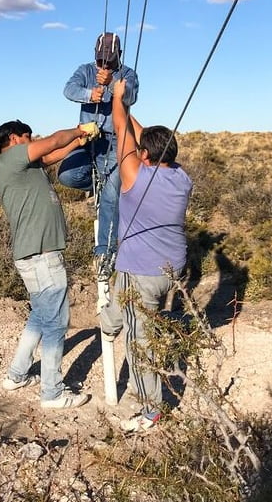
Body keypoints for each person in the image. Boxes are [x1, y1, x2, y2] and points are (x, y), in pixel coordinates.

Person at [100, 79, 192, 432]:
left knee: (139, 343)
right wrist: (127, 107)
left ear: (144, 156)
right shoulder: (182, 178)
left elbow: (122, 130)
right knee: (126, 314)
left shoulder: (134, 177)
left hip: (140, 272)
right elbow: (135, 135)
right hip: (171, 270)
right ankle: (110, 320)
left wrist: (117, 101)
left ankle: (151, 411)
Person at [0, 119, 92, 410]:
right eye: (28, 136)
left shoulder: (25, 167)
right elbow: (51, 143)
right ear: (14, 138)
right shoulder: (11, 156)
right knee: (55, 324)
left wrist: (77, 143)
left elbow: (50, 156)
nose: (32, 139)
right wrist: (79, 131)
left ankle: (16, 375)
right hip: (42, 255)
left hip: (34, 254)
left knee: (40, 316)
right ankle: (52, 392)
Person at [58, 32, 139, 271]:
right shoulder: (84, 70)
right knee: (67, 175)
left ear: (119, 56)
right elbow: (68, 90)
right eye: (100, 58)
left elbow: (131, 96)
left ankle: (104, 254)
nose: (104, 63)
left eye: (109, 59)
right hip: (88, 138)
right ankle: (101, 187)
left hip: (116, 142)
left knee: (111, 196)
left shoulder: (128, 74)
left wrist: (112, 84)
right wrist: (89, 94)